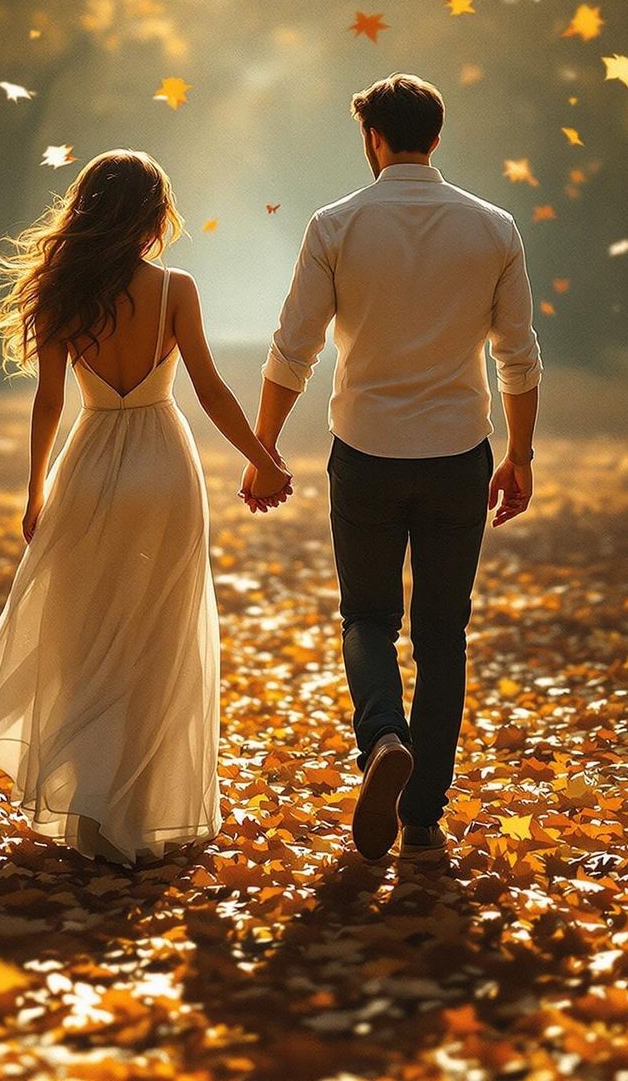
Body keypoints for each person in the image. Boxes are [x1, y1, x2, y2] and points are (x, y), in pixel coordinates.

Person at [0, 150, 291, 863]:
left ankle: (89, 806)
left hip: (89, 465)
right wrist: (263, 460)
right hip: (164, 469)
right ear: (151, 215)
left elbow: (49, 402)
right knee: (156, 636)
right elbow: (209, 389)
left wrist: (35, 489)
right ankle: (139, 809)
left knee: (83, 636)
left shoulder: (62, 291)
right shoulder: (175, 288)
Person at [247, 74, 541, 861]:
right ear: (435, 138)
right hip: (457, 455)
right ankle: (423, 820)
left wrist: (265, 444)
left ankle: (383, 737)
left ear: (373, 138)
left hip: (367, 453)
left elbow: (293, 347)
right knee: (444, 634)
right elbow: (518, 356)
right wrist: (519, 455)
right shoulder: (494, 228)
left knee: (368, 619)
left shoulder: (335, 225)